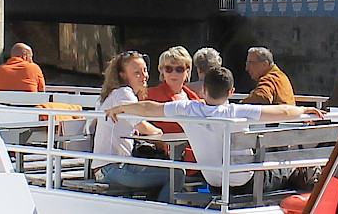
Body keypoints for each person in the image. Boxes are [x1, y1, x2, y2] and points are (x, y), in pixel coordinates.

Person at [109, 66, 324, 194]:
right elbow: (284, 112)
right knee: (285, 167)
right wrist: (304, 110)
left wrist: (121, 107)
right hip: (244, 183)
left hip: (213, 181)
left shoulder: (187, 109)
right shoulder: (238, 111)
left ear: (203, 89)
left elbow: (148, 107)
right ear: (231, 91)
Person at [93, 51, 172, 202]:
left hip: (105, 167)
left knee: (162, 173)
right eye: (137, 73)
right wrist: (159, 131)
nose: (144, 76)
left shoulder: (111, 94)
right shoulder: (124, 93)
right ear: (123, 75)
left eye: (145, 70)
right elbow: (142, 127)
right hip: (114, 168)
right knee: (176, 175)